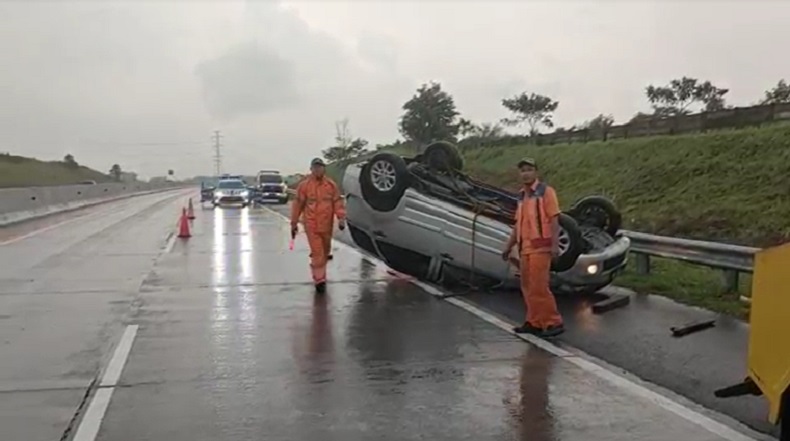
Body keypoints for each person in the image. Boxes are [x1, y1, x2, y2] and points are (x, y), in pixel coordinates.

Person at [501, 157, 565, 338]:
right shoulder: (522, 196)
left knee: (539, 287)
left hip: (541, 247)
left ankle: (553, 322)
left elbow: (554, 219)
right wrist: (508, 246)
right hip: (525, 249)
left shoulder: (546, 192)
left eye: (529, 169)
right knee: (527, 286)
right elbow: (517, 225)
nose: (525, 173)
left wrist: (554, 245)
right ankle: (534, 322)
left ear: (535, 172)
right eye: (522, 170)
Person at [290, 157, 346, 293]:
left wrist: (341, 218)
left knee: (325, 251)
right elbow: (297, 205)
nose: (318, 170)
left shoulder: (331, 185)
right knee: (317, 253)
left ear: (324, 169)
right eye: (315, 167)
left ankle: (320, 273)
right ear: (311, 169)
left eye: (320, 167)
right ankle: (319, 279)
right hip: (311, 225)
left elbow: (337, 202)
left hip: (327, 226)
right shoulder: (304, 186)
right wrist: (294, 223)